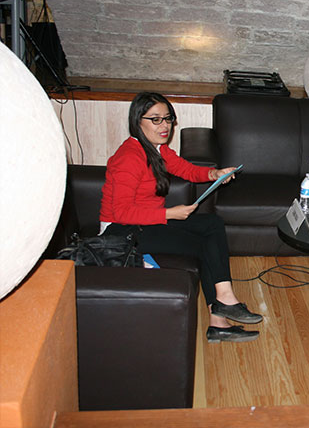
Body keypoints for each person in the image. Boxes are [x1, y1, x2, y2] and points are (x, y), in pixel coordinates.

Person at [99, 92, 262, 343]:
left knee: (212, 224)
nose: (164, 126)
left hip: (147, 222)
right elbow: (121, 212)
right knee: (203, 244)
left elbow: (186, 169)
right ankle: (223, 308)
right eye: (155, 119)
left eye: (168, 118)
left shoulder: (157, 149)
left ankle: (221, 310)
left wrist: (214, 174)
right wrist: (169, 213)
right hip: (122, 231)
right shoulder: (129, 157)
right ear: (137, 121)